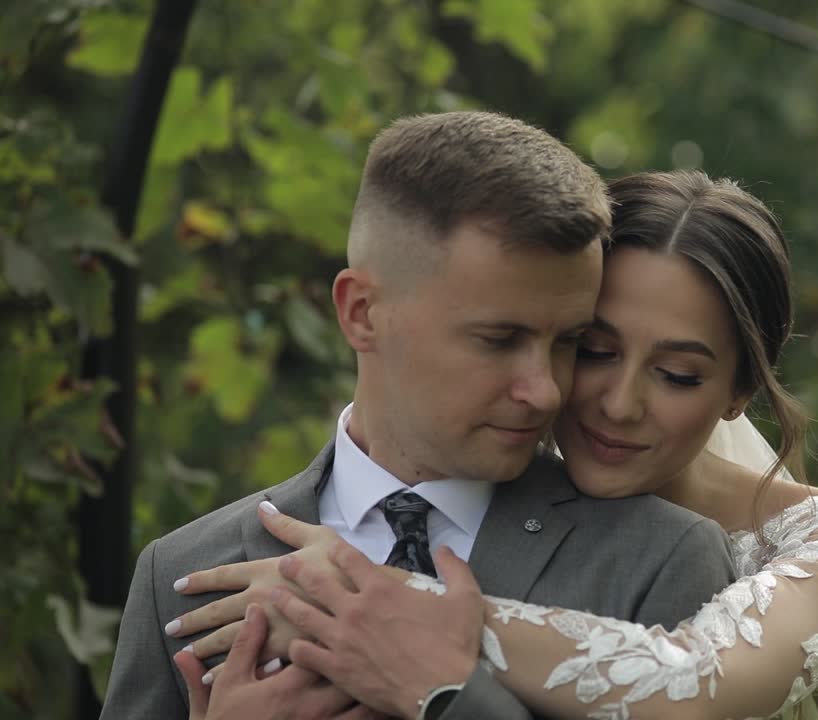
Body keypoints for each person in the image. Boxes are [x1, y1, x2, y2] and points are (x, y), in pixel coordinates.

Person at [172, 171, 818, 719]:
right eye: (591, 350)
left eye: (678, 374)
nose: (619, 405)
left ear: (741, 392)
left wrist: (354, 592)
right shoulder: (474, 497)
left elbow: (694, 682)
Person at [99, 115, 738, 720]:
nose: (545, 391)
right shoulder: (180, 572)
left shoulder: (659, 559)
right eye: (499, 338)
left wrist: (447, 695)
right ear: (361, 313)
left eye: (571, 342)